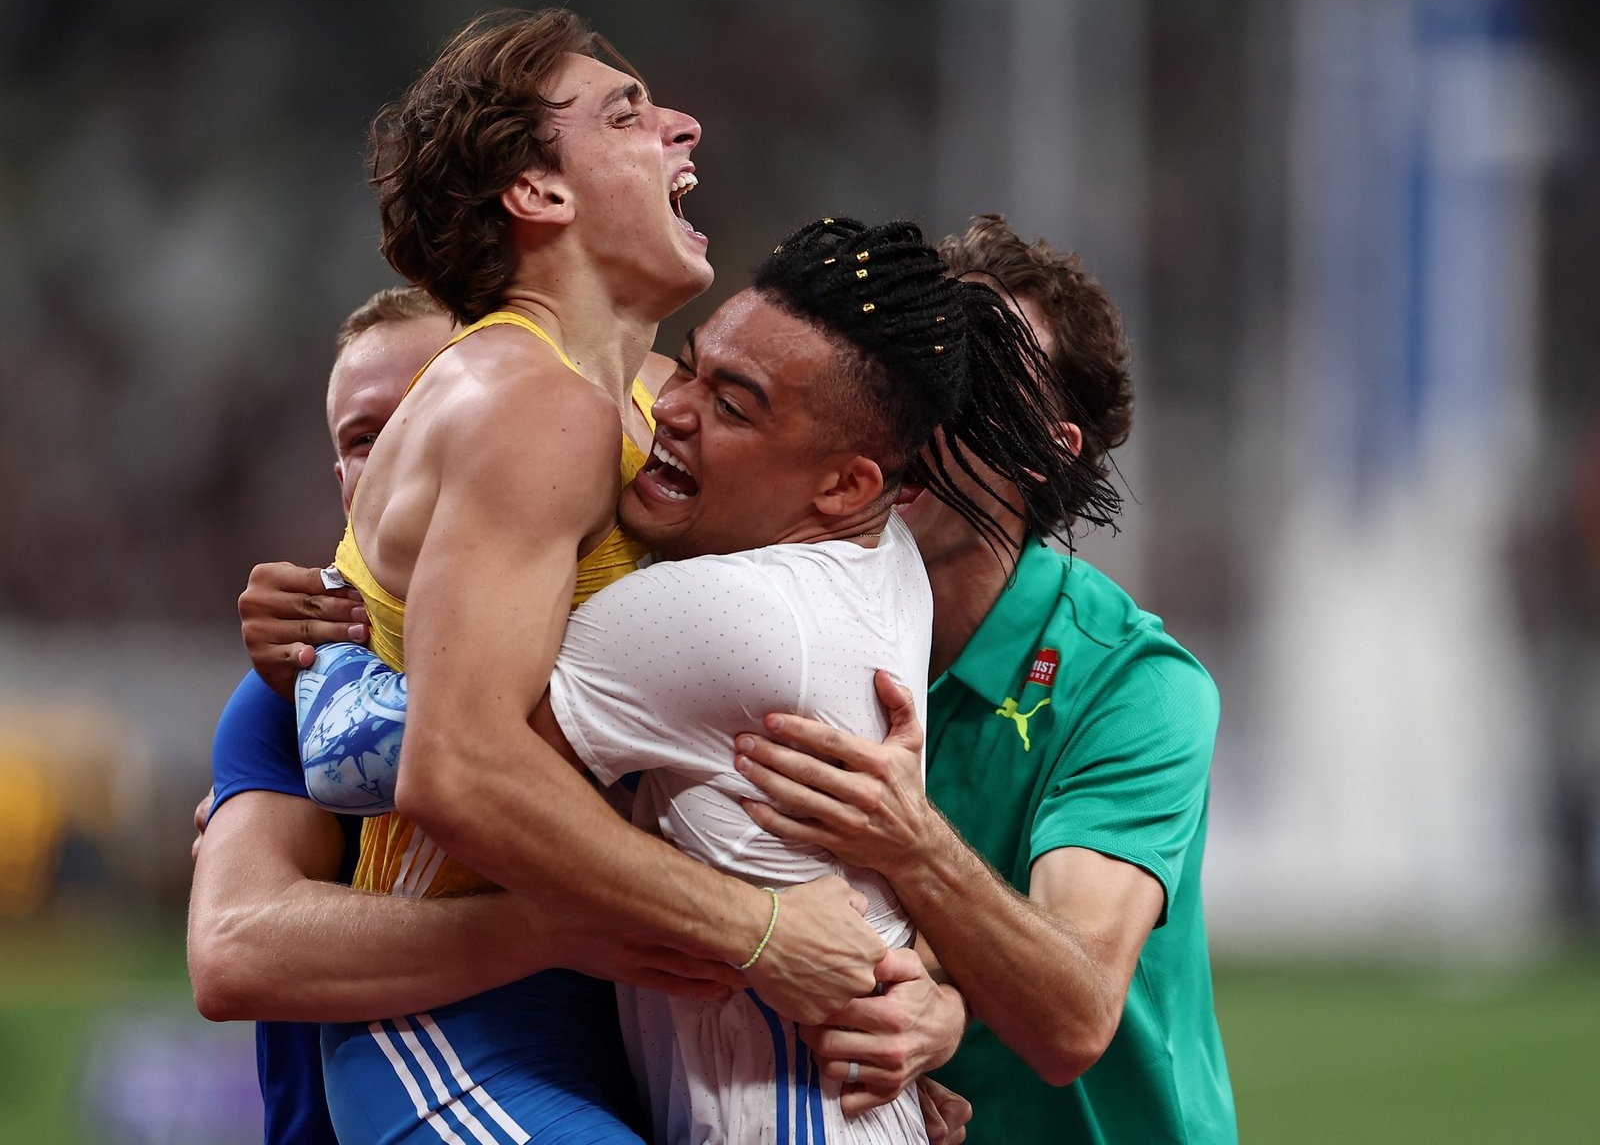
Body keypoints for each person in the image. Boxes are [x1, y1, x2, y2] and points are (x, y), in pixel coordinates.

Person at [289, 216, 1113, 1143]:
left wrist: (330, 622)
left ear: (844, 484)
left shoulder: (725, 614)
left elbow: (400, 758)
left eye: (735, 405)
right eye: (690, 365)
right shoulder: (884, 558)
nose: (672, 410)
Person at [732, 215, 1238, 1143]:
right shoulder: (763, 614)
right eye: (917, 368)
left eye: (981, 386)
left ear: (1048, 447)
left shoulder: (1133, 685)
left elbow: (1075, 1014)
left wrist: (913, 845)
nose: (924, 411)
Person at [189, 286, 613, 1143]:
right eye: (362, 438)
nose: (398, 449)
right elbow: (234, 951)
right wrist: (555, 930)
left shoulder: (609, 639)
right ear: (347, 486)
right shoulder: (295, 685)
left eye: (433, 403)